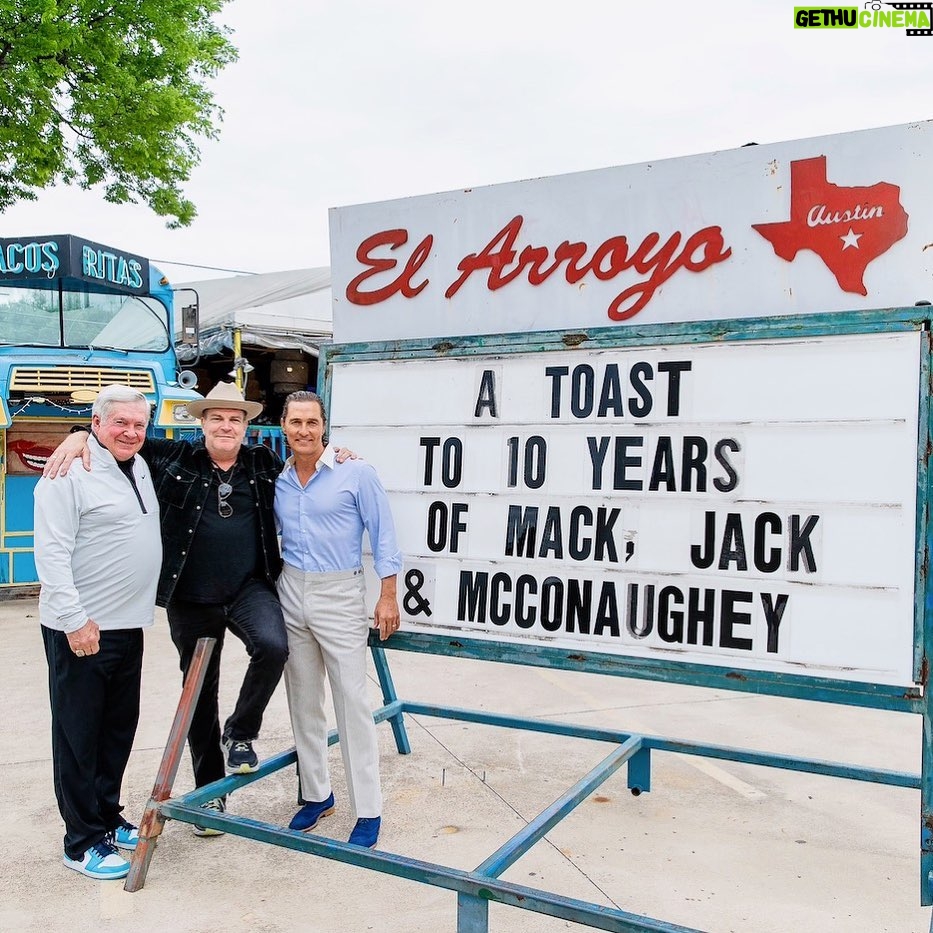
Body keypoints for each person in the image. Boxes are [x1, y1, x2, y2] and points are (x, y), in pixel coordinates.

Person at [44, 381, 355, 836]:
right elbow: (114, 434)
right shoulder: (174, 457)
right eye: (217, 418)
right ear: (202, 422)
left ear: (247, 426)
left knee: (273, 645)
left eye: (235, 419)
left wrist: (340, 453)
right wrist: (75, 433)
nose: (226, 426)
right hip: (190, 597)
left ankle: (241, 731)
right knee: (198, 694)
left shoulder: (263, 462)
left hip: (250, 588)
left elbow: (310, 461)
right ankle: (211, 796)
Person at [35, 385, 161, 880]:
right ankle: (82, 840)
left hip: (128, 627)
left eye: (138, 424)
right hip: (83, 629)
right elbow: (51, 555)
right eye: (120, 423)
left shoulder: (140, 465)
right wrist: (74, 620)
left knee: (116, 731)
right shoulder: (68, 473)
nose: (130, 432)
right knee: (78, 736)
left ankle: (107, 817)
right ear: (95, 422)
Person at [276, 390, 402, 849]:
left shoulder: (356, 472)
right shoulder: (280, 478)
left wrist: (388, 595)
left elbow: (383, 534)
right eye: (296, 423)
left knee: (352, 700)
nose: (304, 431)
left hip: (340, 591)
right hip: (291, 589)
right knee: (303, 698)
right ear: (284, 426)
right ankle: (316, 794)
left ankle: (367, 809)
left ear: (324, 425)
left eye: (312, 422)